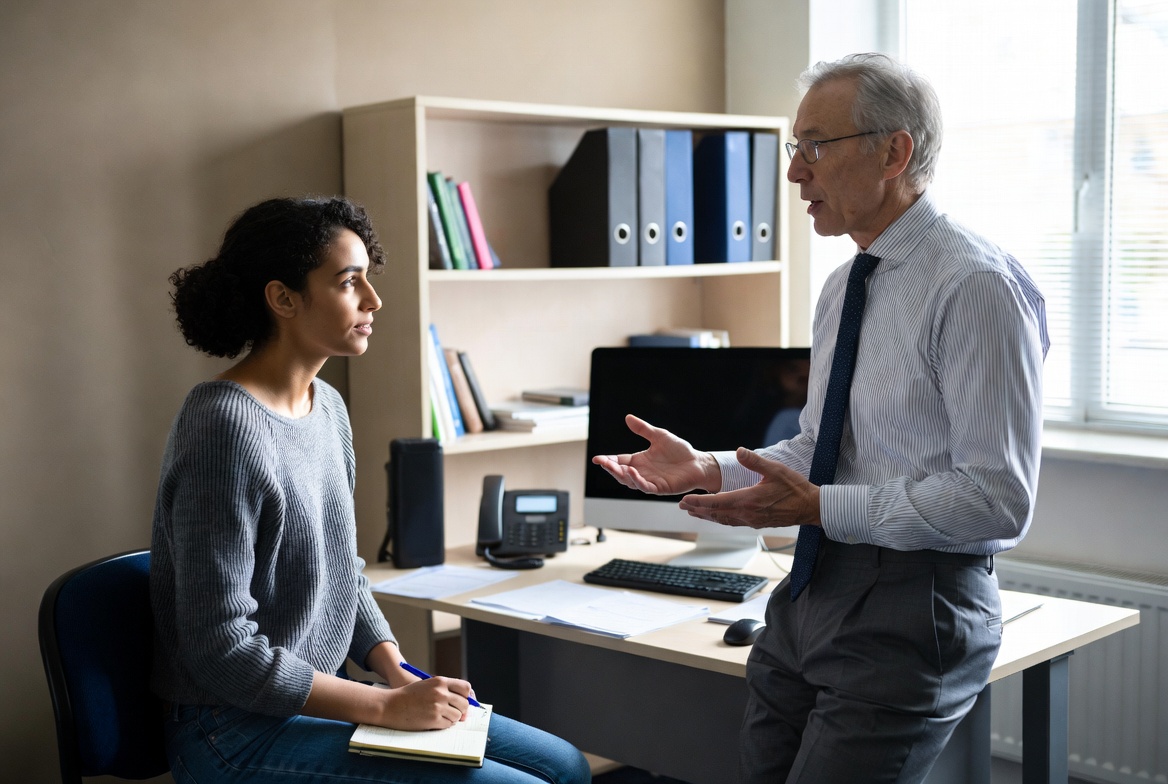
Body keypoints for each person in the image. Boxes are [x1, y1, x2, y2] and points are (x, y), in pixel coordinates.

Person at [593, 53, 1047, 784]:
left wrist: (822, 507)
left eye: (814, 147)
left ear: (895, 151)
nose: (794, 173)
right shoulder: (845, 283)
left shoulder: (976, 287)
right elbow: (824, 446)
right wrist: (711, 466)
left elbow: (998, 498)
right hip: (810, 590)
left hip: (912, 601)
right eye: (793, 149)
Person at [150, 195, 591, 784]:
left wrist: (397, 673)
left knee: (565, 767)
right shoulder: (222, 427)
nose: (373, 301)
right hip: (229, 729)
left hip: (316, 702)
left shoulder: (327, 406)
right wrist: (384, 706)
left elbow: (342, 575)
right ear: (282, 298)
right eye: (348, 282)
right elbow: (221, 648)